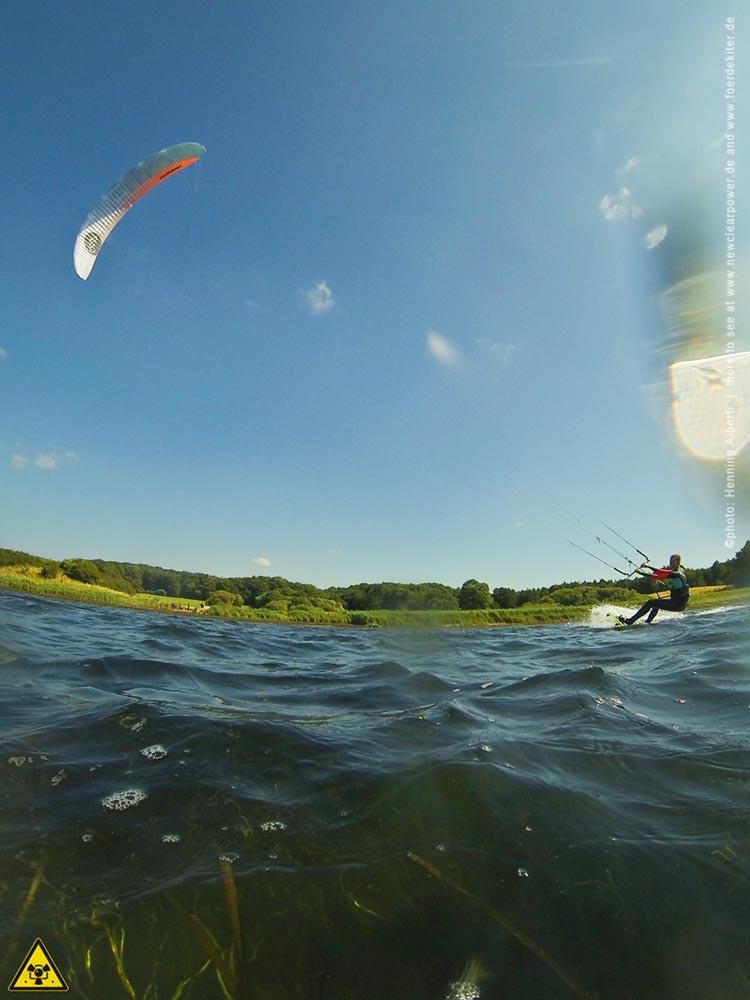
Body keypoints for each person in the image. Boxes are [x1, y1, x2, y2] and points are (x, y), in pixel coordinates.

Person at [618, 554, 689, 625]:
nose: (671, 563)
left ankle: (630, 621)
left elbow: (658, 575)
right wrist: (648, 566)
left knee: (651, 602)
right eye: (670, 561)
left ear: (678, 562)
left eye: (673, 562)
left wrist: (641, 573)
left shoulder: (677, 573)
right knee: (656, 604)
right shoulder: (678, 570)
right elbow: (661, 571)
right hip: (677, 602)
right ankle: (647, 622)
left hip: (678, 604)